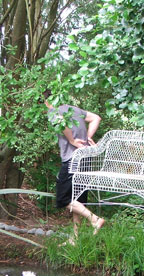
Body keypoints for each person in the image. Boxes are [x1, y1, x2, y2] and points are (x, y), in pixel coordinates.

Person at [43, 91, 105, 240]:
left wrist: (71, 140)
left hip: (73, 159)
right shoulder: (74, 110)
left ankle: (95, 219)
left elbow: (61, 123)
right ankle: (75, 239)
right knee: (77, 198)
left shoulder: (53, 111)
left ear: (46, 102)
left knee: (63, 198)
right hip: (85, 158)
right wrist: (88, 137)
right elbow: (96, 118)